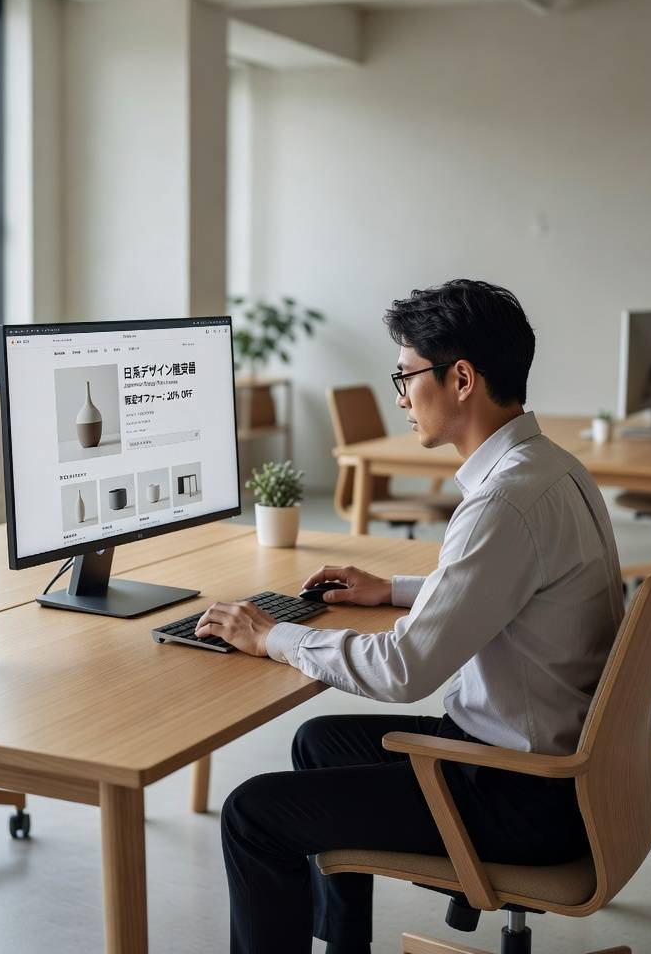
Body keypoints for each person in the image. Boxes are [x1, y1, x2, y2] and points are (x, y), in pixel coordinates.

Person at [195, 279, 625, 954]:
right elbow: (511, 588)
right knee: (319, 744)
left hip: (518, 796)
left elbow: (404, 670)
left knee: (253, 815)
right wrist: (392, 589)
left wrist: (272, 634)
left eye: (406, 375)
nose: (399, 396)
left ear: (461, 379)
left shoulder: (502, 502)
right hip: (555, 767)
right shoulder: (550, 468)